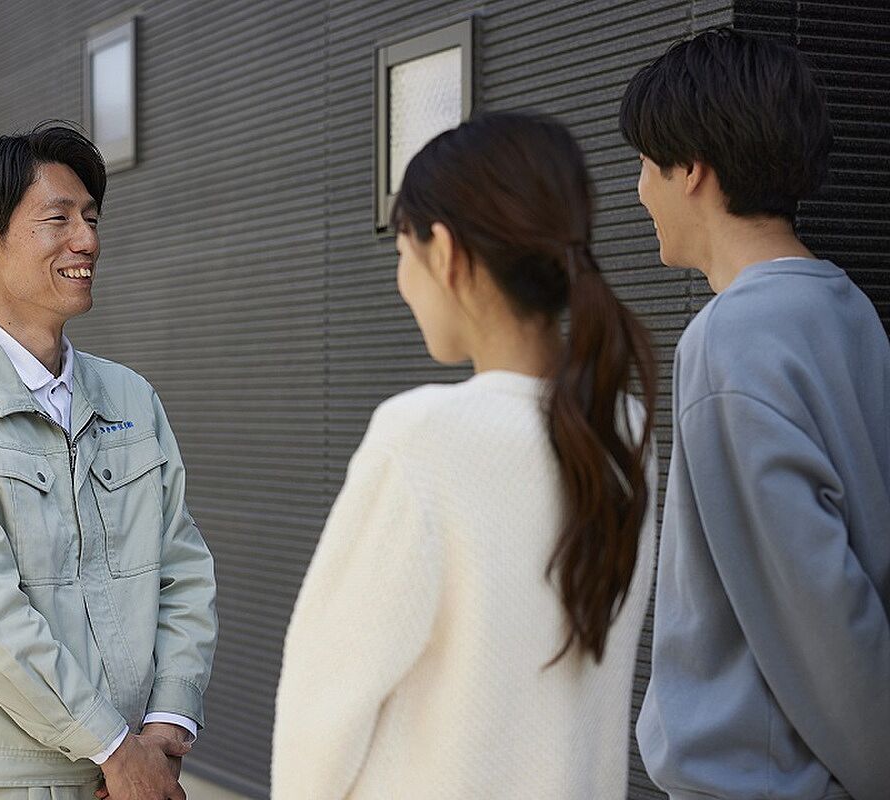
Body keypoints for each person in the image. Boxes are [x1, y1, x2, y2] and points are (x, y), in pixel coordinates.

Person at [271, 111, 658, 798]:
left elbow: (320, 714)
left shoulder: (422, 436)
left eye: (403, 252)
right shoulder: (622, 430)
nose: (403, 280)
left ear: (445, 252)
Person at [0, 124, 217, 800]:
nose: (86, 240)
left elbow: (183, 569)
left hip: (138, 770)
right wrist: (111, 745)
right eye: (58, 219)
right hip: (13, 780)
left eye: (91, 218)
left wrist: (166, 726)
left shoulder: (131, 398)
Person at [621, 29, 890, 800]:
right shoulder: (848, 311)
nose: (640, 190)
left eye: (647, 164)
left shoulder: (732, 338)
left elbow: (816, 602)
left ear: (692, 170)